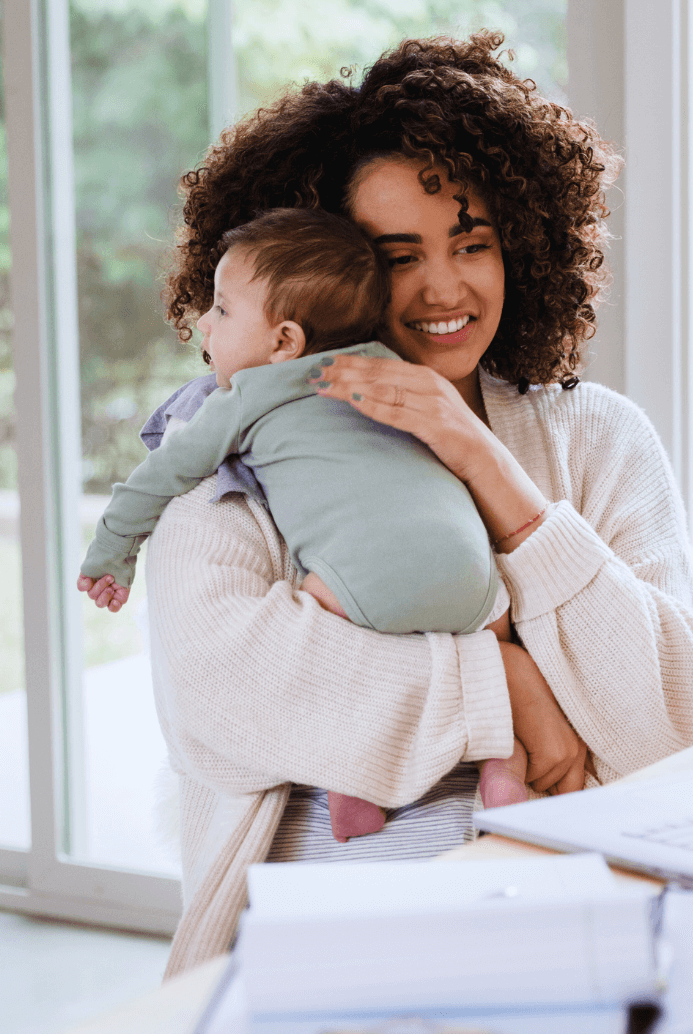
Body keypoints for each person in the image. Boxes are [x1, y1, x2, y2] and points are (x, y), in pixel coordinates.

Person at [136, 33, 693, 979]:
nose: (445, 288)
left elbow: (688, 731)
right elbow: (221, 695)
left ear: (522, 247)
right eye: (397, 254)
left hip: (572, 911)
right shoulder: (231, 438)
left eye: (473, 243)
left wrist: (497, 476)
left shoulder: (602, 438)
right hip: (323, 932)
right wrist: (516, 690)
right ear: (323, 270)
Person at [76, 208, 531, 842]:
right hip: (472, 575)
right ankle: (508, 774)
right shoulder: (398, 372)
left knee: (324, 656)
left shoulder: (246, 397)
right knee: (510, 655)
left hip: (361, 580)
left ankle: (352, 786)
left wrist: (111, 550)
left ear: (285, 342)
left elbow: (164, 473)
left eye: (222, 310)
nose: (204, 324)